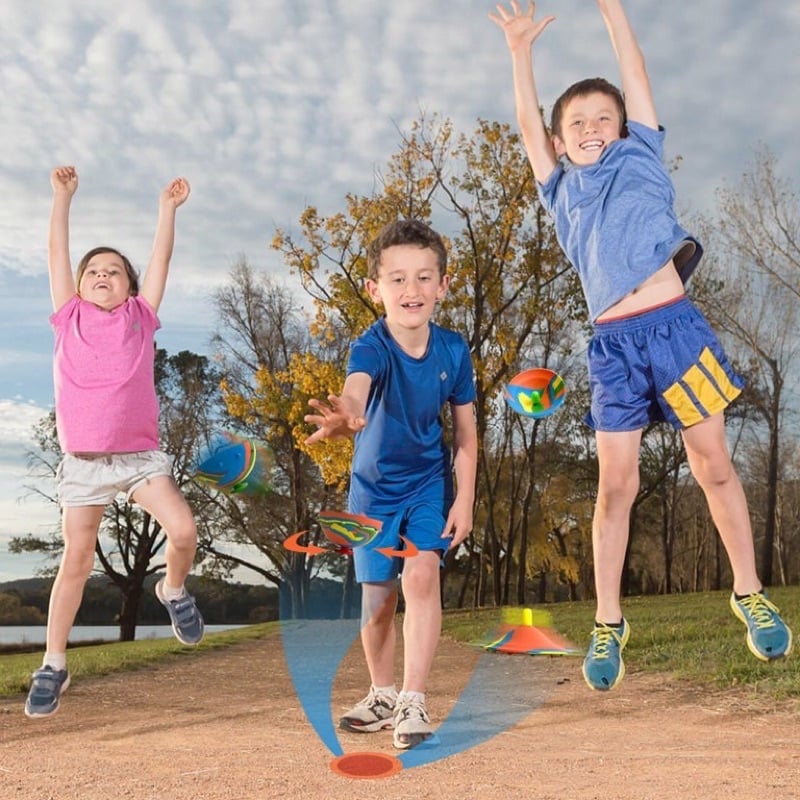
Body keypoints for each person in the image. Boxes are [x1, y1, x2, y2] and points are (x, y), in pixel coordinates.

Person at [490, 0, 792, 691]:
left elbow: (636, 69)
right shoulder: (562, 190)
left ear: (624, 129)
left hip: (676, 330)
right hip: (613, 349)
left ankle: (749, 592)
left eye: (604, 117)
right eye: (577, 122)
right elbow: (526, 127)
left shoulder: (643, 154)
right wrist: (519, 51)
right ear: (561, 142)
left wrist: (613, 10)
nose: (591, 126)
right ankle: (608, 621)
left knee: (712, 463)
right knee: (615, 488)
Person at [25, 166, 205, 719]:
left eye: (114, 271)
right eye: (94, 271)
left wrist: (167, 210)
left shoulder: (139, 318)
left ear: (129, 286)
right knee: (76, 560)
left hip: (139, 459)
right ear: (79, 285)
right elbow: (57, 251)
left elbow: (161, 263)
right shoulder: (68, 317)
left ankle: (172, 591)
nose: (103, 275)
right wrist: (61, 198)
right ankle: (54, 663)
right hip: (82, 465)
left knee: (184, 530)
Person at [304, 219, 478, 748]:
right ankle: (381, 693)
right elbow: (356, 389)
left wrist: (464, 501)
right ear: (376, 290)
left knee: (422, 577)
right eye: (398, 279)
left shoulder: (453, 350)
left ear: (443, 286)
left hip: (427, 484)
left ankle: (413, 699)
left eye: (425, 278)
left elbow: (467, 437)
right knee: (377, 602)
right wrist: (346, 414)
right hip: (372, 492)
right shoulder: (371, 345)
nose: (412, 290)